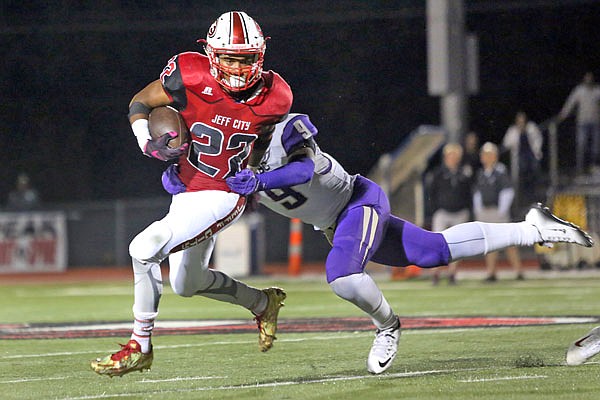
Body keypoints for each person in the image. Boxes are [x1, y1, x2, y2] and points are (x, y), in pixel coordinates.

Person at [161, 113, 592, 374]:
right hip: (334, 222)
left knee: (342, 274)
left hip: (358, 200)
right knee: (433, 251)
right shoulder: (224, 165)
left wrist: (259, 179)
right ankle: (533, 228)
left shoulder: (285, 129)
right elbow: (198, 192)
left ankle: (388, 326)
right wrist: (178, 180)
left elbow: (303, 172)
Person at [91, 11, 293, 377]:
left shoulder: (276, 94)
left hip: (224, 193)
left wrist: (256, 174)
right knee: (188, 283)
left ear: (259, 57)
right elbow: (140, 102)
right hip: (187, 190)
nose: (236, 66)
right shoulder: (189, 72)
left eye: (245, 58)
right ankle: (263, 303)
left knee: (143, 248)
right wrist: (149, 145)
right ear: (212, 54)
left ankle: (141, 345)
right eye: (229, 56)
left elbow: (262, 140)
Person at [473, 142, 523, 281]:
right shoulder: (481, 173)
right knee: (490, 244)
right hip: (485, 211)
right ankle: (491, 272)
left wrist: (502, 210)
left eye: (489, 154)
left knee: (507, 242)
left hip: (497, 211)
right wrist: (478, 210)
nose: (486, 157)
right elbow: (477, 193)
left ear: (495, 156)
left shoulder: (500, 171)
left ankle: (518, 271)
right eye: (484, 154)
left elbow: (507, 191)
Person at [425, 143, 472, 285]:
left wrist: (467, 208)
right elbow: (431, 194)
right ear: (446, 157)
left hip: (460, 212)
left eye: (455, 156)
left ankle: (452, 274)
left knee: (457, 245)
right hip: (443, 212)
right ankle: (435, 274)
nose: (453, 159)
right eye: (451, 155)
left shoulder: (464, 173)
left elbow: (469, 193)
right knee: (437, 244)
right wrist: (435, 209)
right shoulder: (438, 173)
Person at [558, 71, 600, 175]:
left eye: (590, 78)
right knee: (581, 145)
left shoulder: (597, 90)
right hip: (582, 123)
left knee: (595, 146)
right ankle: (580, 168)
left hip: (595, 122)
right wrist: (563, 113)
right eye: (587, 78)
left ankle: (593, 166)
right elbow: (571, 102)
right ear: (584, 79)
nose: (588, 80)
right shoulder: (579, 90)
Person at [502, 111, 543, 207]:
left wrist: (537, 150)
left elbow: (538, 139)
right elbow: (506, 143)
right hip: (520, 157)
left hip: (531, 155)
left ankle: (535, 197)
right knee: (523, 176)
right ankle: (525, 199)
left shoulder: (531, 127)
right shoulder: (513, 130)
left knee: (534, 173)